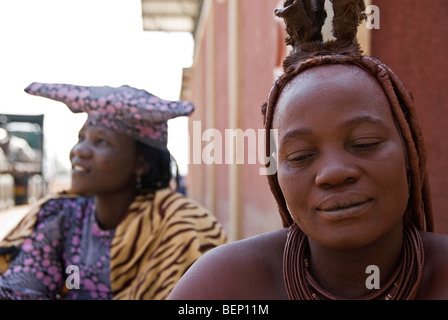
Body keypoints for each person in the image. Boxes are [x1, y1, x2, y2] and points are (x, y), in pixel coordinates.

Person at [168, 0, 448, 300]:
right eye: (301, 156)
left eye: (365, 144)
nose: (334, 173)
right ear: (276, 176)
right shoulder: (221, 286)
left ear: (409, 154)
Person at [0, 82, 227, 300]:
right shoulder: (62, 217)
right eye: (82, 138)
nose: (79, 151)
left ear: (141, 163)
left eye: (101, 142)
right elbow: (21, 289)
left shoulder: (181, 226)